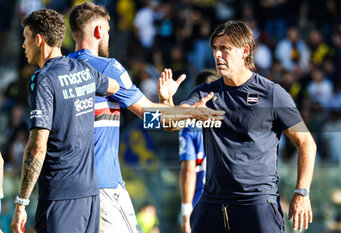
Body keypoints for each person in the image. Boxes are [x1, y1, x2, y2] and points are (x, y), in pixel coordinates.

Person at [68, 3, 225, 233]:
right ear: (100, 31)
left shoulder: (56, 72)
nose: (109, 38)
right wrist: (188, 111)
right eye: (109, 32)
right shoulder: (108, 69)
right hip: (104, 187)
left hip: (65, 191)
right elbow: (152, 118)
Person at [164, 21, 317, 233]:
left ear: (245, 51)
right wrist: (166, 101)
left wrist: (302, 192)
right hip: (213, 203)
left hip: (257, 204)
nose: (217, 55)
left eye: (224, 48)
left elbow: (306, 142)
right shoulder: (204, 93)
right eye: (215, 49)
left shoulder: (272, 94)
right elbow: (170, 123)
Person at [11, 9, 120, 233]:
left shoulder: (42, 79)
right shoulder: (83, 69)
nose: (23, 45)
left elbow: (37, 147)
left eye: (26, 37)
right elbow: (113, 86)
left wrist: (22, 202)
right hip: (90, 196)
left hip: (60, 198)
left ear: (39, 40)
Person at [178, 71, 217, 233]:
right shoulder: (230, 120)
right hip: (230, 201)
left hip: (200, 205)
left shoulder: (189, 126)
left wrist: (186, 214)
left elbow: (188, 170)